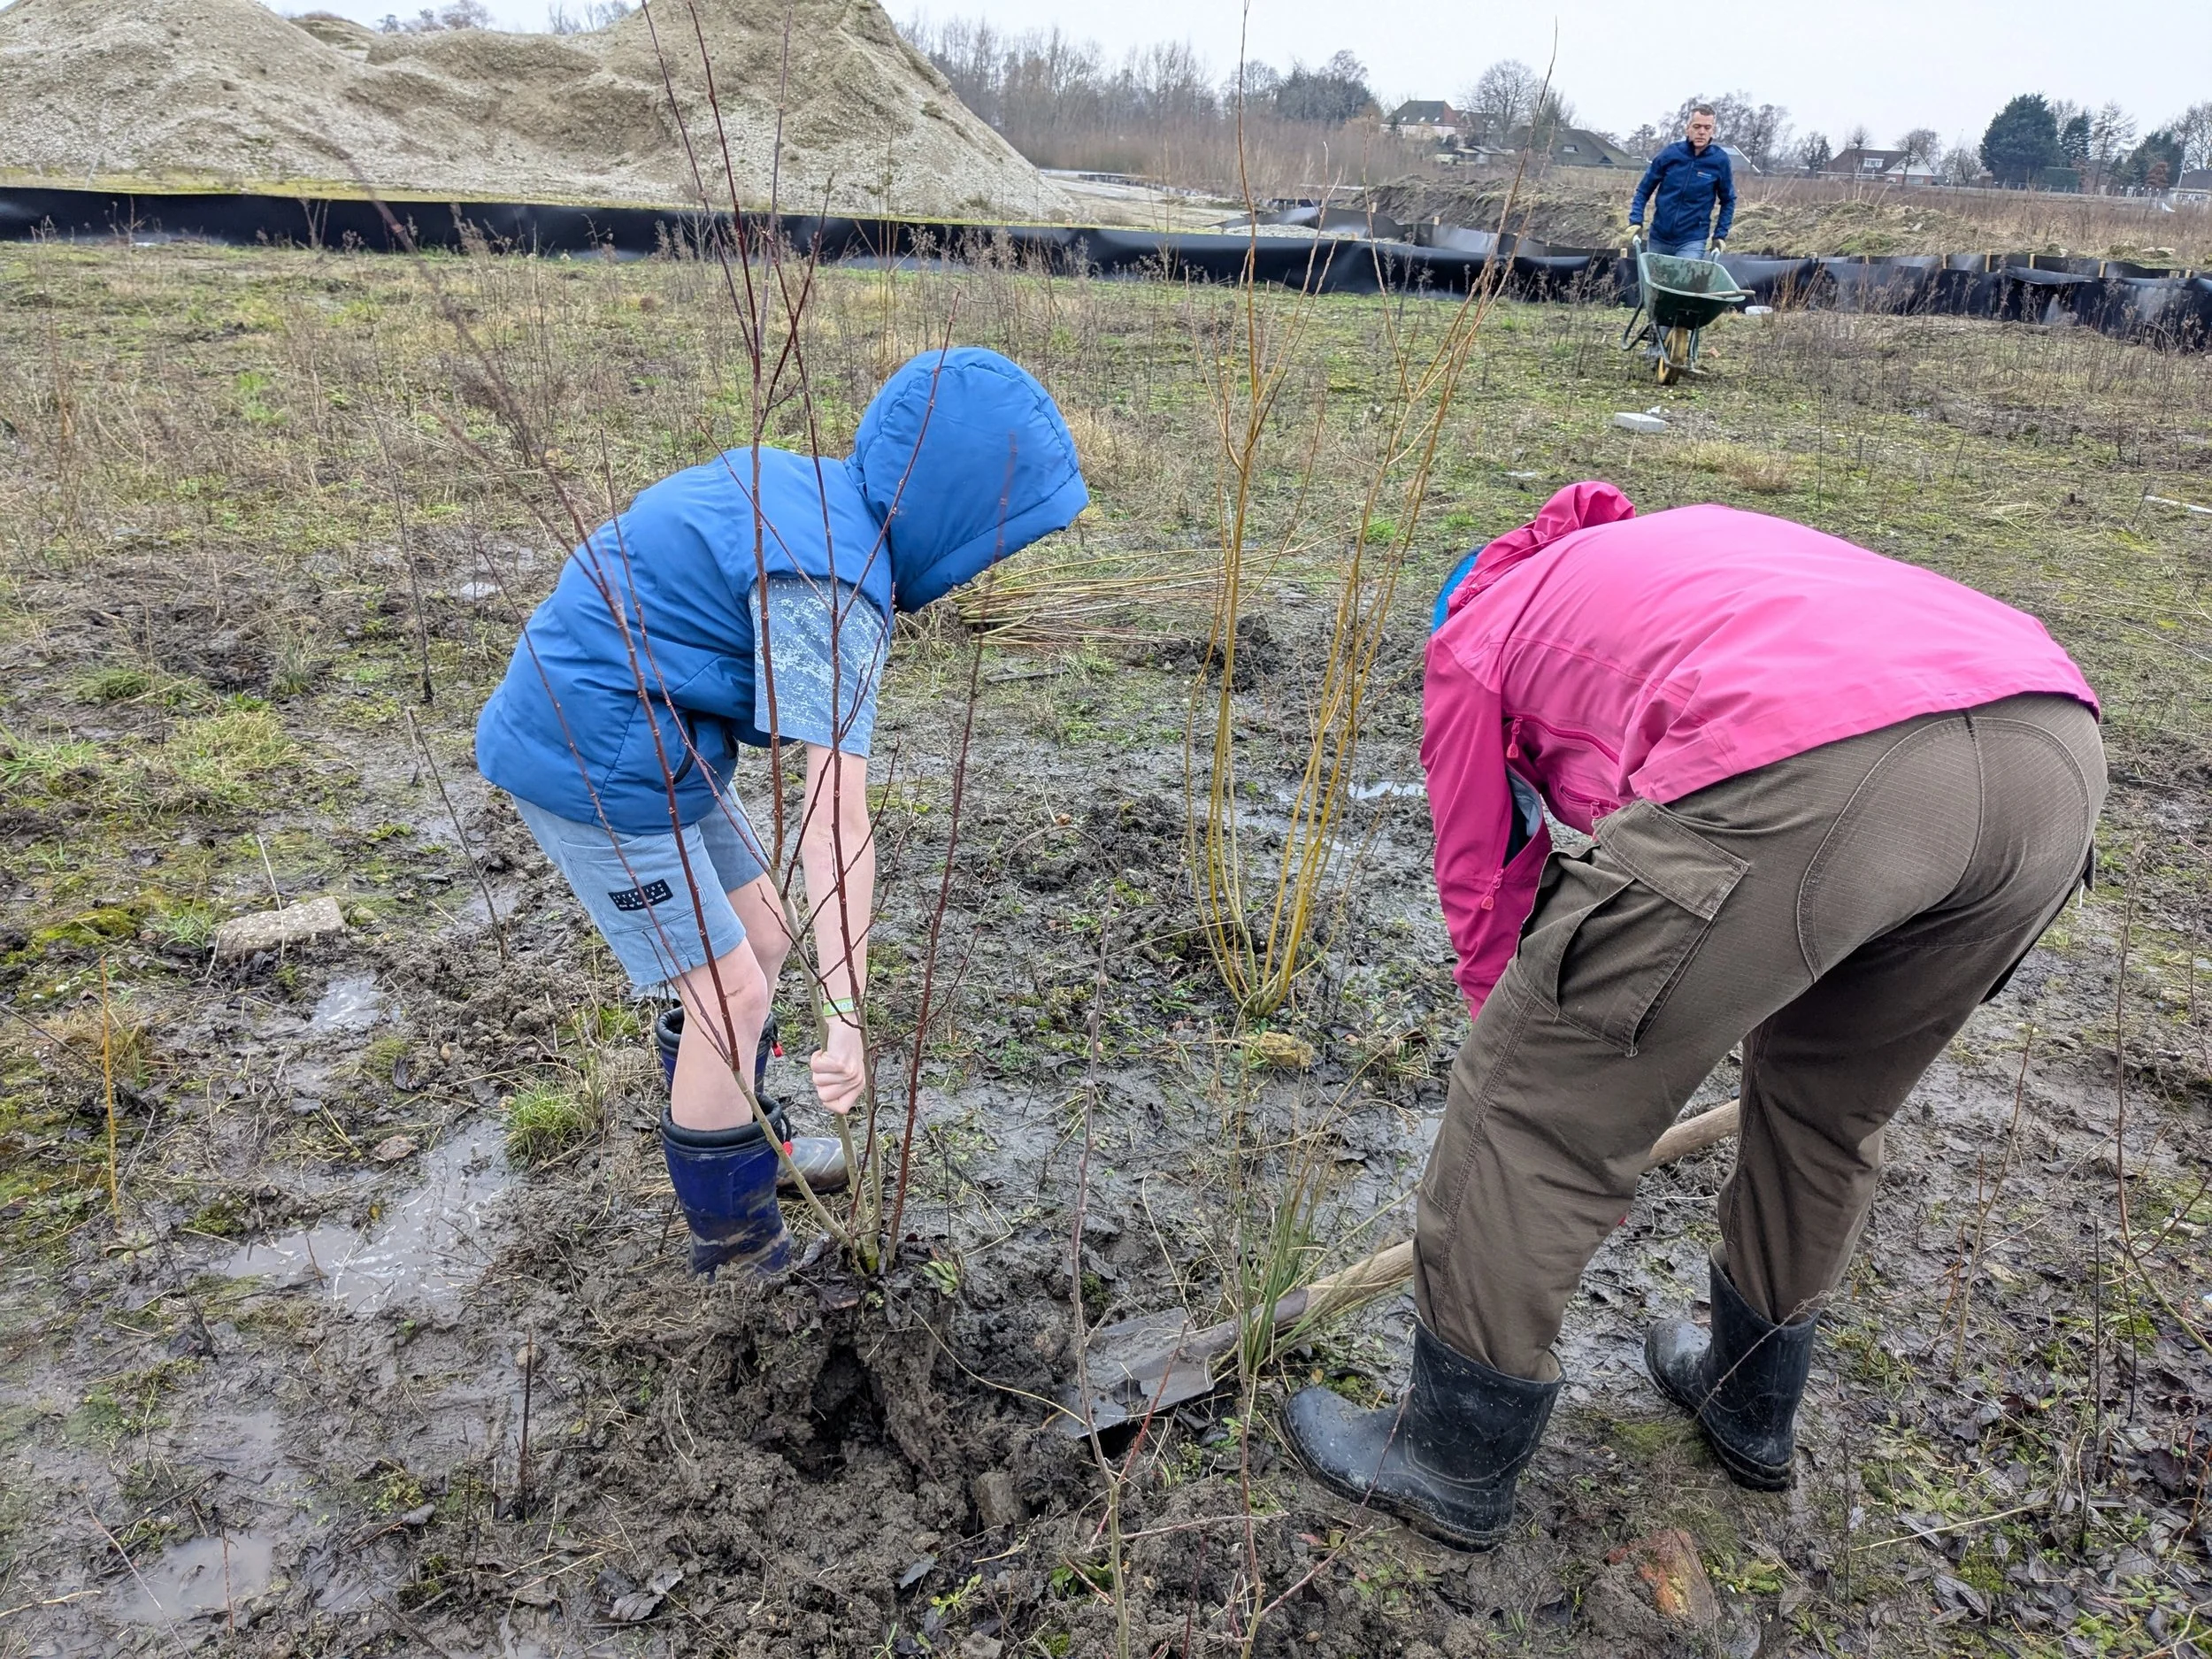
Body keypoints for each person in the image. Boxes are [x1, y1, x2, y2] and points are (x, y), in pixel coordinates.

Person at [1286, 481, 2102, 1547]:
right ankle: (1746, 1403)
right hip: (2051, 754)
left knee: (1530, 1107)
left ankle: (1448, 1456)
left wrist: (1558, 1078)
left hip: (1817, 759)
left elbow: (1486, 883)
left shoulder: (1477, 634)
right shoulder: (1691, 553)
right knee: (1826, 1107)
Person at [474, 348, 1087, 1276]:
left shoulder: (811, 493)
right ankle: (736, 1249)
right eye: (997, 538)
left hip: (654, 735)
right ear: (955, 512)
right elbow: (834, 823)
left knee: (761, 933)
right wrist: (847, 1018)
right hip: (591, 754)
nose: (981, 570)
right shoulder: (832, 592)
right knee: (731, 991)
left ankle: (743, 1130)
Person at [1629, 104, 1736, 257]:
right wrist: (1636, 221)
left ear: (1713, 130)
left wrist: (1720, 235)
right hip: (1659, 236)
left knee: (1684, 281)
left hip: (1692, 240)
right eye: (1697, 126)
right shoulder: (1671, 154)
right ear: (1688, 128)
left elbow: (1729, 200)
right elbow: (1643, 190)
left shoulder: (1720, 161)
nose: (1701, 132)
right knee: (1654, 280)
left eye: (1707, 127)